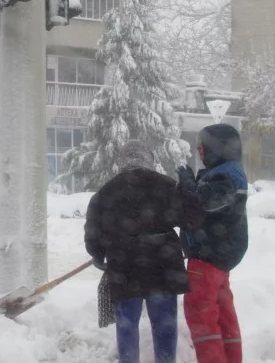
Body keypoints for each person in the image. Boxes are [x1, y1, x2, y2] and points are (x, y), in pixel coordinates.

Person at [85, 139, 200, 363]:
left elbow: (93, 233)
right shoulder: (166, 185)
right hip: (163, 265)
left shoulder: (106, 191)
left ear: (121, 162)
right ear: (150, 160)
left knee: (127, 325)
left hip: (124, 267)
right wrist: (189, 193)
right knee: (164, 324)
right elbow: (192, 219)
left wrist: (99, 256)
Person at [177, 123, 249, 363]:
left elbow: (202, 203)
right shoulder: (231, 170)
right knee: (223, 317)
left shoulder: (225, 175)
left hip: (208, 258)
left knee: (202, 317)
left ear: (217, 148)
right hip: (220, 260)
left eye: (202, 148)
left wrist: (187, 182)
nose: (199, 153)